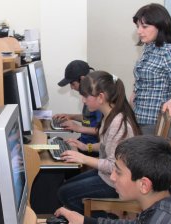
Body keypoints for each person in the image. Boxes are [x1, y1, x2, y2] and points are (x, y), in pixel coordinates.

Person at [57, 71, 141, 215]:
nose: (83, 100)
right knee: (64, 188)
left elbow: (113, 165)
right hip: (108, 175)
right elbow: (105, 146)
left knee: (65, 194)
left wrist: (83, 158)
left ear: (101, 97)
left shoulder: (117, 123)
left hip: (117, 181)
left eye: (85, 96)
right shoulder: (109, 114)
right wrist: (85, 147)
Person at [131, 3, 171, 138]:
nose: (139, 31)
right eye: (138, 26)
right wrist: (134, 94)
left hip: (156, 122)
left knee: (150, 158)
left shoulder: (169, 53)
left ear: (160, 26)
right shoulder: (148, 48)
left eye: (144, 26)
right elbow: (143, 79)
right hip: (139, 117)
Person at [54, 60, 103, 152]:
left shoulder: (96, 99)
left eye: (73, 84)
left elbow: (102, 130)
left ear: (82, 79)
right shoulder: (89, 95)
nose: (72, 88)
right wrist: (70, 116)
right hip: (83, 143)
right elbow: (88, 119)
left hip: (92, 148)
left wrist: (78, 128)